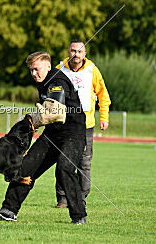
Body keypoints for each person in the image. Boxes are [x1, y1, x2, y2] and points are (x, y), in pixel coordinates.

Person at [0, 51, 88, 224]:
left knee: (64, 169)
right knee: (25, 168)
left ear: (48, 66)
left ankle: (78, 216)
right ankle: (9, 210)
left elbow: (53, 113)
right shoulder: (44, 82)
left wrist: (28, 122)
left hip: (73, 134)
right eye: (31, 70)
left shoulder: (57, 81)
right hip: (53, 134)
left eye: (37, 69)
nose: (34, 74)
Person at [54, 39, 111, 208]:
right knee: (63, 160)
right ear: (68, 52)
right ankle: (62, 199)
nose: (76, 54)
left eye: (79, 51)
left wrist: (104, 117)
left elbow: (103, 95)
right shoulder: (59, 70)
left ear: (85, 54)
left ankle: (81, 198)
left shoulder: (93, 70)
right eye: (73, 51)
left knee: (84, 163)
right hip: (64, 123)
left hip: (86, 125)